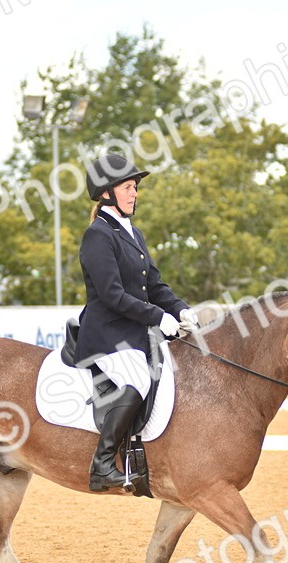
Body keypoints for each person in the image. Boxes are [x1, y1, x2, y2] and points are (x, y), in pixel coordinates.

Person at [76, 153, 198, 491]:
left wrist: (179, 309)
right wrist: (159, 317)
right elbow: (113, 296)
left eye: (135, 188)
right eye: (128, 187)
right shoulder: (97, 236)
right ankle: (102, 466)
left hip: (134, 332)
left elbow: (155, 286)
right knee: (138, 380)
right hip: (106, 335)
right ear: (106, 193)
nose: (135, 194)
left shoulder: (133, 233)